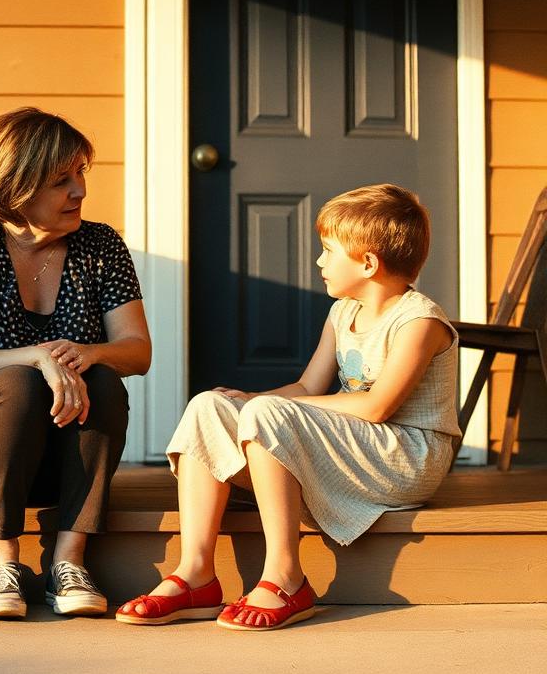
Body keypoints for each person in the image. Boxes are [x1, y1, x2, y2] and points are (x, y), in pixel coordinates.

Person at [116, 183, 459, 631]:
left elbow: (377, 406)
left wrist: (269, 412)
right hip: (361, 448)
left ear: (368, 262)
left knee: (266, 415)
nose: (319, 261)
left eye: (328, 250)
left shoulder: (420, 321)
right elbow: (306, 386)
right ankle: (196, 574)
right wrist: (248, 401)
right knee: (208, 406)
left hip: (407, 457)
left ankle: (285, 576)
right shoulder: (343, 313)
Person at [0, 107, 151, 620]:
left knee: (106, 380)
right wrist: (42, 357)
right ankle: (0, 559)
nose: (80, 192)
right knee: (17, 383)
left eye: (80, 174)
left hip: (61, 457)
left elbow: (138, 350)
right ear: (15, 187)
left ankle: (69, 560)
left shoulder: (101, 245)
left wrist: (91, 354)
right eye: (60, 181)